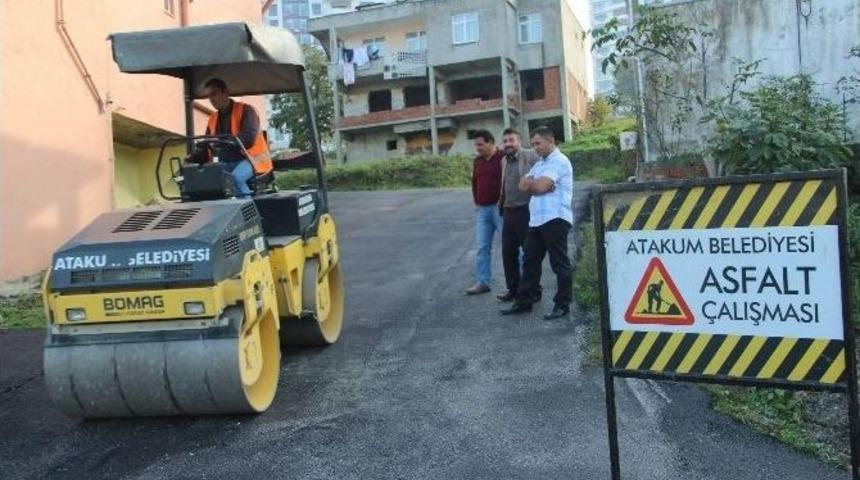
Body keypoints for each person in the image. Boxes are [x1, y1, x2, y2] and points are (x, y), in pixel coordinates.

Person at [501, 126, 574, 320]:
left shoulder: (559, 161)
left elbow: (537, 185)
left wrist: (537, 186)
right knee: (530, 261)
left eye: (538, 143)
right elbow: (522, 185)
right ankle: (524, 302)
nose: (534, 148)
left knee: (559, 263)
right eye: (532, 144)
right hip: (537, 220)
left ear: (551, 141)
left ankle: (562, 304)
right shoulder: (540, 163)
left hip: (555, 218)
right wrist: (539, 187)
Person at [203, 78, 273, 198]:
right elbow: (208, 143)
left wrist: (222, 142)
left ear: (225, 92)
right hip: (228, 161)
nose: (211, 99)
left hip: (254, 159)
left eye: (214, 94)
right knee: (208, 181)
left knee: (236, 178)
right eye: (209, 96)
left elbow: (249, 138)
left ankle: (248, 214)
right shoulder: (213, 118)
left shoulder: (247, 110)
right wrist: (194, 156)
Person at [497, 128, 540, 302]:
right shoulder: (503, 161)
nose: (508, 144)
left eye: (511, 140)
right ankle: (513, 289)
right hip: (508, 212)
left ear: (519, 142)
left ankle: (535, 291)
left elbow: (546, 169)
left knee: (530, 254)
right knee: (508, 253)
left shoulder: (530, 156)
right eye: (505, 141)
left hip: (526, 211)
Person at [465, 130, 504, 295]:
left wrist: (503, 201)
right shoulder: (478, 161)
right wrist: (476, 202)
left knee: (511, 247)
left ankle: (521, 283)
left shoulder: (503, 158)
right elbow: (475, 182)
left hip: (500, 209)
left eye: (480, 144)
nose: (477, 148)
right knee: (482, 247)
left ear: (490, 142)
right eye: (476, 144)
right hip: (482, 210)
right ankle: (483, 282)